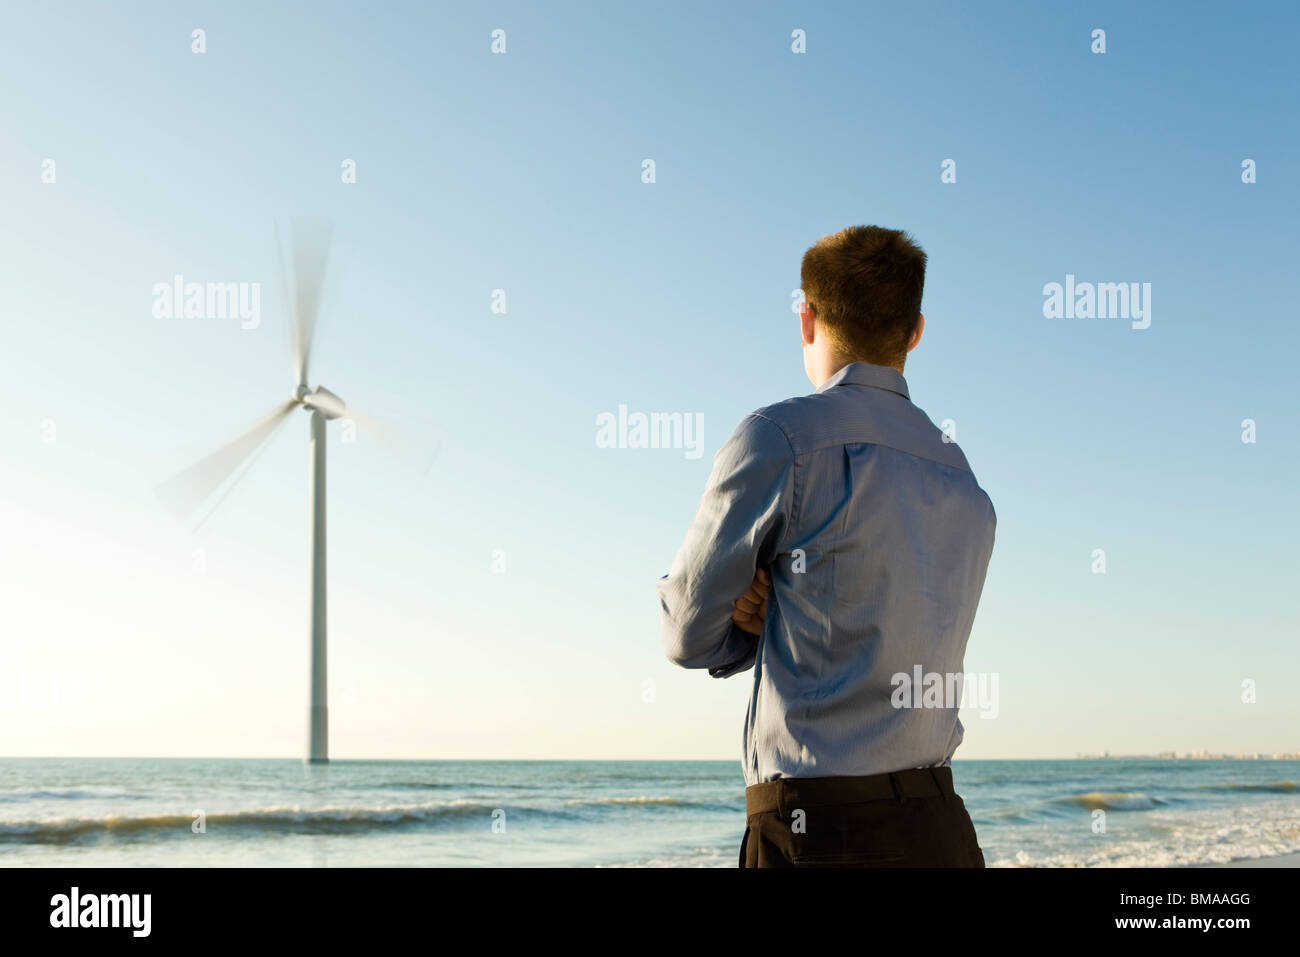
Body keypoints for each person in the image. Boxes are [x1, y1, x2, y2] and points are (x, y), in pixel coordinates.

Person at [656, 225, 996, 867]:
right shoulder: (965, 483)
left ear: (806, 318)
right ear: (915, 331)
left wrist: (753, 622)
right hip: (941, 828)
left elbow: (684, 633)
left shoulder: (779, 439)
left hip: (816, 832)